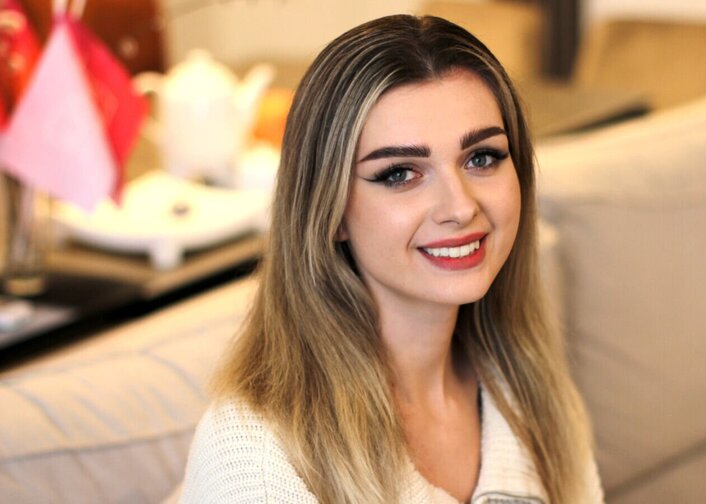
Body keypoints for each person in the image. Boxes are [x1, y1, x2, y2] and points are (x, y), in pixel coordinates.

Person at [179, 14, 604, 504]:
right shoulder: (255, 461)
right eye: (400, 173)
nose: (460, 206)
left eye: (482, 158)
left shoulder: (528, 389)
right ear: (330, 209)